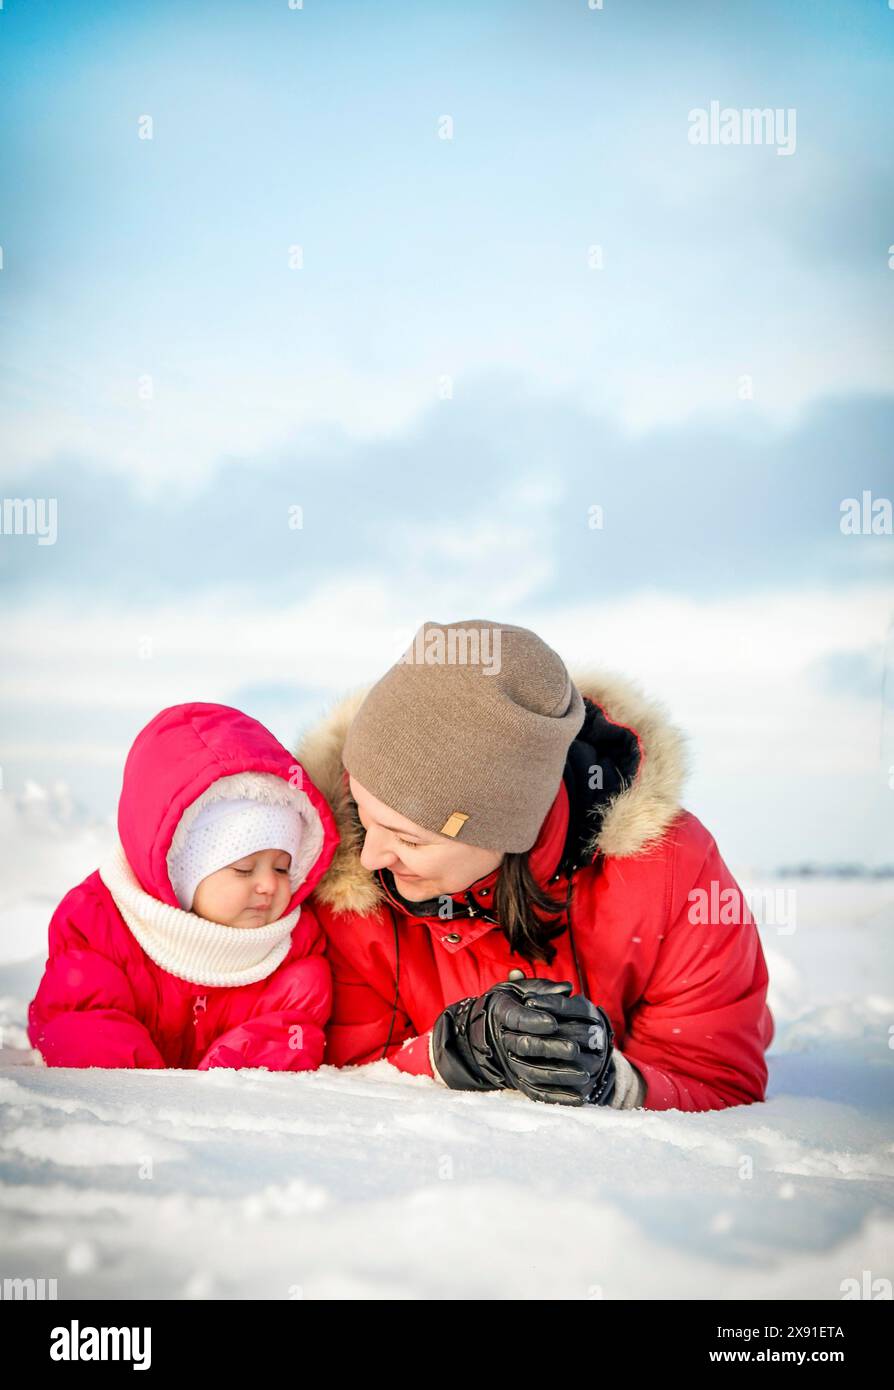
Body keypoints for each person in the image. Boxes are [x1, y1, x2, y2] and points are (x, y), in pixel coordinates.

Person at [296, 619, 774, 1112]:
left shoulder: (673, 875)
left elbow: (716, 1080)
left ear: (507, 834)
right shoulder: (344, 874)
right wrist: (450, 1052)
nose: (371, 855)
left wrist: (615, 1083)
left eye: (408, 839)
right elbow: (338, 1078)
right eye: (364, 814)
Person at [28, 702, 339, 1071]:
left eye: (283, 868)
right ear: (178, 870)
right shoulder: (99, 924)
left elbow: (283, 1035)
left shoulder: (294, 951)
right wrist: (146, 1094)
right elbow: (81, 1022)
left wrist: (223, 1085)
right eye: (243, 869)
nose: (269, 885)